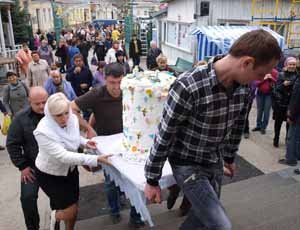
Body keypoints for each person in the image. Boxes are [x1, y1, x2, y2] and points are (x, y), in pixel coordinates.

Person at [144, 29, 282, 230]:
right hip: (186, 162)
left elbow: (236, 127)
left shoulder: (244, 89)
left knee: (203, 217)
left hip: (213, 160)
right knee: (220, 225)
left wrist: (228, 158)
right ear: (247, 63)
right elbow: (165, 135)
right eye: (259, 74)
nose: (258, 80)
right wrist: (152, 179)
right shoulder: (188, 85)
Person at [70, 63, 145, 228]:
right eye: (112, 83)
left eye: (120, 82)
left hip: (129, 143)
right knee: (111, 182)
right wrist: (88, 128)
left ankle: (136, 217)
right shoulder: (96, 93)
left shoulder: (130, 90)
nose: (117, 87)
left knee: (134, 180)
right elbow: (71, 108)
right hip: (106, 146)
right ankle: (114, 210)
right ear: (105, 79)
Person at [33, 93, 112, 230]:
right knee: (70, 210)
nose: (64, 119)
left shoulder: (72, 119)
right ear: (50, 114)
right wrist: (96, 159)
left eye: (66, 113)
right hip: (51, 174)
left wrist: (86, 143)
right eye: (58, 115)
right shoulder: (42, 131)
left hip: (70, 170)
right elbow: (63, 156)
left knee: (74, 206)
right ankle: (55, 217)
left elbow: (73, 137)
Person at [6, 87, 49, 230]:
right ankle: (32, 227)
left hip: (54, 165)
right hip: (32, 167)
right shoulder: (20, 118)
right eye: (37, 103)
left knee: (61, 199)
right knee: (27, 198)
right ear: (29, 101)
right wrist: (22, 166)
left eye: (44, 102)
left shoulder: (54, 113)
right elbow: (12, 144)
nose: (42, 106)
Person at [273, 57, 298, 149]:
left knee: (289, 124)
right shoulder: (281, 74)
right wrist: (283, 85)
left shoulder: (297, 76)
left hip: (291, 104)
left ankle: (287, 140)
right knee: (278, 123)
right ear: (286, 65)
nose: (292, 66)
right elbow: (276, 89)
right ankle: (276, 138)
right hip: (281, 103)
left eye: (293, 64)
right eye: (290, 64)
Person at [252, 69, 278, 134]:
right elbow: (256, 83)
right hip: (260, 93)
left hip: (269, 94)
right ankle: (258, 125)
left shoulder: (275, 72)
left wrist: (271, 78)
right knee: (259, 110)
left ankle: (263, 127)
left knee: (266, 111)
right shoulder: (261, 70)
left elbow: (278, 83)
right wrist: (264, 78)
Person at [287, 77, 300, 174]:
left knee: (293, 138)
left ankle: (291, 159)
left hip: (297, 117)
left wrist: (291, 116)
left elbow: (296, 101)